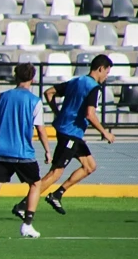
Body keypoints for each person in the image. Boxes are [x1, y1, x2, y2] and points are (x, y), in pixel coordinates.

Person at [12, 54, 116, 219]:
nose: (106, 76)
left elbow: (49, 93)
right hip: (70, 133)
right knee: (56, 172)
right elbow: (90, 114)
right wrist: (105, 133)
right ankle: (24, 205)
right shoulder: (94, 88)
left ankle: (57, 194)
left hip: (70, 131)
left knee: (89, 166)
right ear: (100, 69)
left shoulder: (77, 81)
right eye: (107, 72)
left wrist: (58, 113)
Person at [0, 63, 51, 239]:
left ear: (15, 77)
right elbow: (41, 129)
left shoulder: (4, 97)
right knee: (35, 184)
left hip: (1, 150)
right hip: (23, 153)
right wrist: (47, 151)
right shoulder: (35, 101)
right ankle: (27, 224)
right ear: (32, 79)